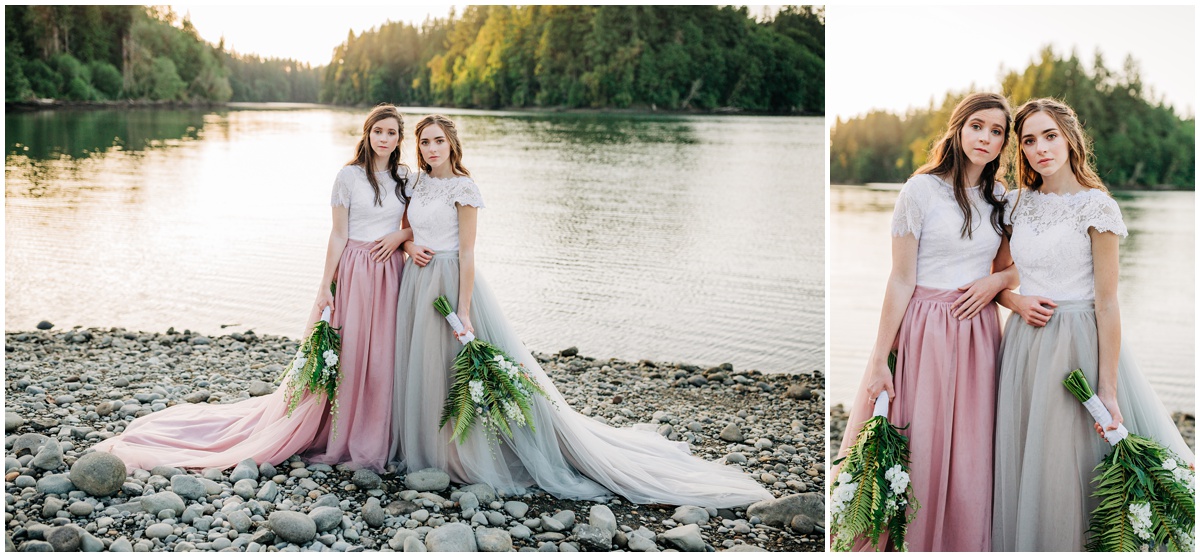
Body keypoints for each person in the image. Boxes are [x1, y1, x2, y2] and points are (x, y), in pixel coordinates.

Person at [388, 114, 771, 507]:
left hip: (451, 280)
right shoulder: (417, 183)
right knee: (426, 365)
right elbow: (408, 231)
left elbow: (468, 252)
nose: (431, 149)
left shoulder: (464, 188)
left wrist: (464, 309)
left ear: (451, 143)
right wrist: (406, 247)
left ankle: (462, 454)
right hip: (417, 282)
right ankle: (428, 447)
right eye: (424, 143)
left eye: (437, 141)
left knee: (455, 366)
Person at [94, 105, 414, 473]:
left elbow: (414, 225)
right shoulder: (349, 176)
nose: (384, 139)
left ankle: (376, 430)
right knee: (351, 351)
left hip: (390, 271)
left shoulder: (406, 177)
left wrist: (401, 235)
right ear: (367, 134)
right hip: (355, 271)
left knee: (382, 355)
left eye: (391, 133)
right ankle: (339, 430)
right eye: (378, 131)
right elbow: (338, 234)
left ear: (399, 139)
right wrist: (326, 286)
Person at [991, 97, 1195, 551]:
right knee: (1031, 459)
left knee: (1075, 461)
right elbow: (1000, 278)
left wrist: (1106, 388)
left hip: (1078, 343)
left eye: (1049, 136)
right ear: (1021, 150)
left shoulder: (1096, 206)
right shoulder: (1015, 204)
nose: (1040, 148)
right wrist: (1016, 301)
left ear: (1069, 138)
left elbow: (1108, 303)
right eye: (1028, 140)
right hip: (1025, 344)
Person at [834, 92, 1017, 551]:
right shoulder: (920, 191)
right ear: (958, 128)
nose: (986, 138)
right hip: (924, 328)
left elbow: (1016, 267)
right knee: (919, 440)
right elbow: (899, 279)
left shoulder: (1001, 199)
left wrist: (995, 285)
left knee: (971, 449)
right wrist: (880, 358)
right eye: (978, 126)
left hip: (977, 332)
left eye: (997, 132)